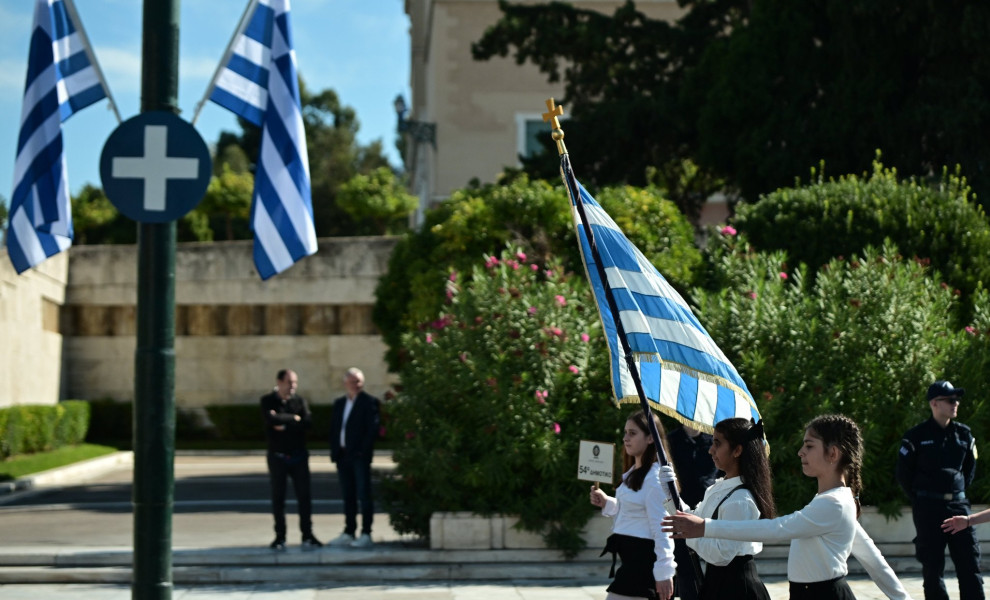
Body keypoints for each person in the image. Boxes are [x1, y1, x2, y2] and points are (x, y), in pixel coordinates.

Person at [662, 414, 913, 600]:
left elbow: (777, 529)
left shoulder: (834, 504)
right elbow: (873, 559)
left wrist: (705, 527)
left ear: (833, 454)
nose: (800, 452)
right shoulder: (833, 500)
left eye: (809, 446)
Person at [896, 380, 984, 600]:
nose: (956, 403)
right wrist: (922, 499)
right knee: (932, 568)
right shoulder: (915, 436)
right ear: (934, 403)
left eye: (957, 400)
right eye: (950, 400)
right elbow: (903, 474)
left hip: (958, 506)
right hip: (928, 509)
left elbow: (969, 469)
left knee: (970, 564)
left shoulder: (964, 434)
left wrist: (956, 493)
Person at [669, 418, 775, 600]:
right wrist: (669, 491)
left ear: (737, 450)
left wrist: (689, 534)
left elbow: (721, 554)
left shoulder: (741, 499)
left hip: (738, 589)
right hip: (716, 583)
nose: (711, 450)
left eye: (717, 443)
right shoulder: (718, 488)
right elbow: (693, 518)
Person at [590, 410, 677, 600]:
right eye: (625, 432)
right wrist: (607, 503)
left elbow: (662, 527)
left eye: (632, 433)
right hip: (631, 561)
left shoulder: (654, 479)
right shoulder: (634, 473)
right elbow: (634, 512)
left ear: (650, 438)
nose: (625, 438)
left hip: (643, 563)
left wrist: (664, 571)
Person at [261, 368, 321, 551]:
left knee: (304, 497)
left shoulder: (299, 401)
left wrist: (285, 423)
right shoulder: (268, 400)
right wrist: (294, 418)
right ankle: (280, 537)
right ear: (279, 382)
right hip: (277, 457)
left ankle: (307, 535)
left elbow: (307, 423)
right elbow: (270, 420)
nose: (292, 386)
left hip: (298, 456)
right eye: (289, 382)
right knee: (278, 498)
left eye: (295, 382)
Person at [327, 367, 380, 548]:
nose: (355, 385)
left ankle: (366, 533)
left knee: (364, 494)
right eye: (352, 381)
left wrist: (361, 452)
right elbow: (334, 429)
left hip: (359, 457)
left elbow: (371, 430)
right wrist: (335, 451)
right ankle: (349, 531)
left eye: (358, 381)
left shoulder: (369, 402)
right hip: (342, 456)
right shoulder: (339, 403)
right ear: (345, 383)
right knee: (348, 495)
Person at [667, 424, 720, 600]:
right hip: (681, 508)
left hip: (709, 508)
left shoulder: (713, 440)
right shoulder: (671, 440)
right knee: (684, 564)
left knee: (714, 563)